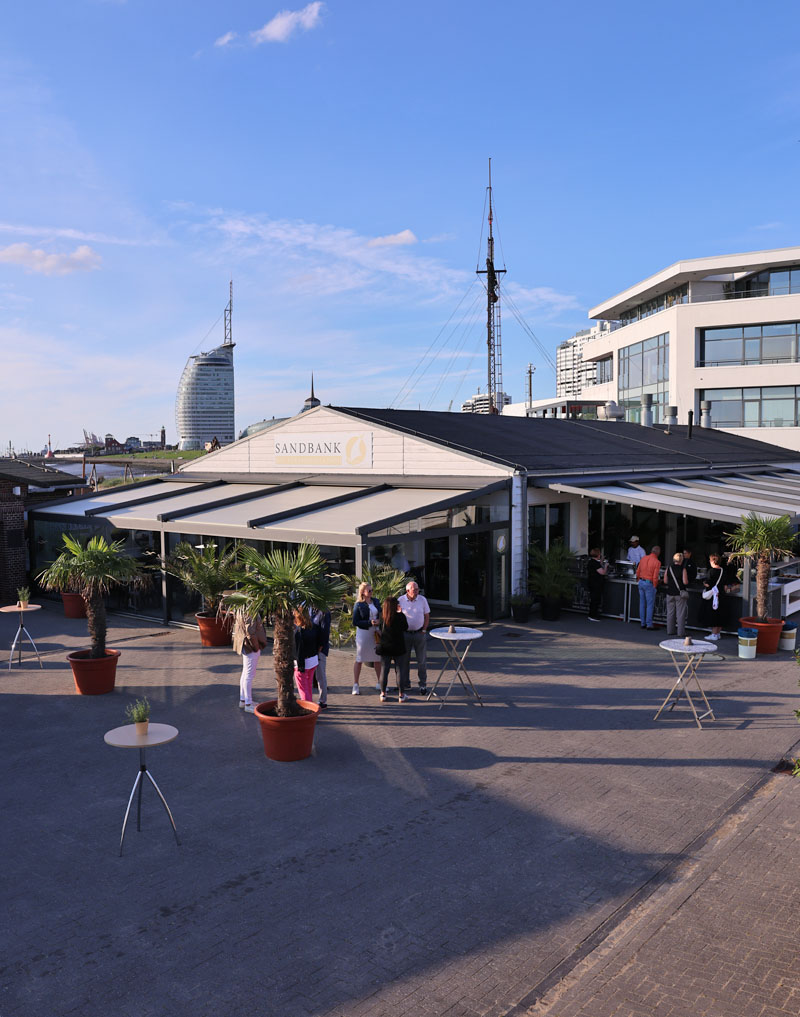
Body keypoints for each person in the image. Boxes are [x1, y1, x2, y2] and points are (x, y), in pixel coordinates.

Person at [232, 611, 268, 713]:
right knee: (249, 674)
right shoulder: (249, 608)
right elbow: (250, 631)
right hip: (250, 646)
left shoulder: (242, 606)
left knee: (245, 672)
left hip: (246, 645)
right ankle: (248, 703)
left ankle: (243, 700)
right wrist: (256, 646)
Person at [398, 580, 430, 695]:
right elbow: (397, 617)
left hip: (419, 634)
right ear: (407, 591)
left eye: (417, 590)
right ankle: (406, 684)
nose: (416, 592)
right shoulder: (400, 600)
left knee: (421, 661)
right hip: (405, 634)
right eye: (414, 590)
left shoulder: (422, 600)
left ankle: (423, 684)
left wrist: (424, 629)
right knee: (405, 660)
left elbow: (427, 616)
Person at [376, 596, 409, 702]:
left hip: (385, 647)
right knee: (399, 671)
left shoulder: (383, 617)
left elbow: (380, 629)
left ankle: (383, 693)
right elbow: (405, 627)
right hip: (398, 646)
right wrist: (400, 612)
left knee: (384, 671)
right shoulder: (400, 616)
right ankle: (401, 695)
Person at [351, 582, 382, 695]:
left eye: (371, 590)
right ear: (363, 592)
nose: (371, 592)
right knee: (359, 659)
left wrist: (379, 622)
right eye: (368, 590)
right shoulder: (358, 605)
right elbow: (355, 621)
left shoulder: (376, 601)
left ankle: (380, 683)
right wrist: (370, 622)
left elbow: (381, 614)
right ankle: (355, 684)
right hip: (364, 633)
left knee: (377, 659)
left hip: (375, 632)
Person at [293, 606, 322, 702]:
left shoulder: (299, 632)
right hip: (313, 661)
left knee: (303, 688)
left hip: (303, 663)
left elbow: (299, 651)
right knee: (308, 685)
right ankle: (310, 705)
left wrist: (300, 666)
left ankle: (308, 708)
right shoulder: (313, 628)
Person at [310, 606, 331, 709]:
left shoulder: (324, 612)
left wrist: (321, 646)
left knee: (320, 674)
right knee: (309, 674)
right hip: (310, 646)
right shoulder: (310, 609)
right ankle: (308, 699)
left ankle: (323, 700)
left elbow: (325, 631)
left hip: (319, 648)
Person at [663, 552, 689, 637]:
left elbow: (665, 581)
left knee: (670, 613)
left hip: (670, 592)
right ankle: (680, 632)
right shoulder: (683, 569)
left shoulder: (669, 568)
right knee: (680, 614)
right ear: (681, 560)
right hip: (679, 593)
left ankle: (670, 630)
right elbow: (685, 582)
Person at [636, 545, 661, 630]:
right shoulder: (657, 562)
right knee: (650, 605)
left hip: (641, 582)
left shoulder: (643, 558)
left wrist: (638, 580)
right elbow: (655, 577)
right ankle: (649, 624)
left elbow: (638, 571)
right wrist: (654, 586)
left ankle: (642, 623)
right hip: (649, 583)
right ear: (658, 553)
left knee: (642, 603)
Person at [702, 553, 726, 641]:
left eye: (710, 560)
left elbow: (708, 583)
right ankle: (718, 633)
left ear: (712, 561)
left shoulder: (711, 571)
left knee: (714, 614)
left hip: (714, 596)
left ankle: (714, 634)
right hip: (721, 594)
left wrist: (704, 583)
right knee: (720, 614)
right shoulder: (723, 571)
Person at [586, 548, 607, 622]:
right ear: (597, 554)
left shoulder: (591, 562)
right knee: (595, 600)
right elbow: (603, 572)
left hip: (592, 583)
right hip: (596, 584)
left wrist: (601, 561)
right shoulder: (595, 563)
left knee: (593, 599)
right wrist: (606, 566)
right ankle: (593, 615)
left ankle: (592, 614)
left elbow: (598, 566)